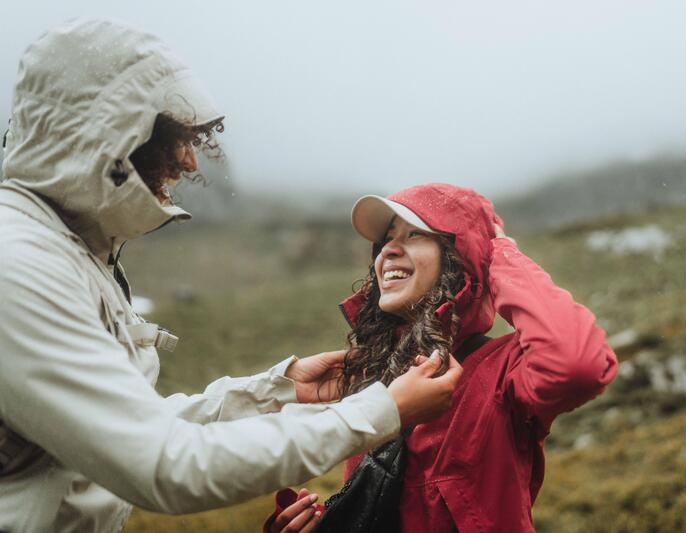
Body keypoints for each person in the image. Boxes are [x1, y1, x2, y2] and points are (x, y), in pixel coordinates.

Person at [0, 19, 461, 533]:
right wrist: (379, 411)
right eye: (170, 137)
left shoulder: (64, 251)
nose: (189, 159)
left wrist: (273, 391)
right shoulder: (17, 264)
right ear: (105, 131)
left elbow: (117, 431)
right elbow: (162, 464)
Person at [266, 183, 618, 532]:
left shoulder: (500, 370)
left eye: (415, 234)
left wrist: (498, 251)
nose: (388, 249)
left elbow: (576, 366)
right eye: (387, 238)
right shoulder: (373, 382)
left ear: (459, 257)